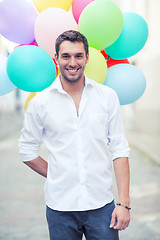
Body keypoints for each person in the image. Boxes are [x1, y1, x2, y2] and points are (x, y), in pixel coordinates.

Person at [19, 30, 131, 240]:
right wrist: (59, 174)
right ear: (56, 59)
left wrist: (124, 203)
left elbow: (119, 149)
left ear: (87, 57)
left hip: (102, 206)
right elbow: (27, 151)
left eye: (79, 55)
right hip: (60, 207)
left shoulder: (107, 97)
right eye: (66, 56)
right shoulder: (40, 103)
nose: (73, 62)